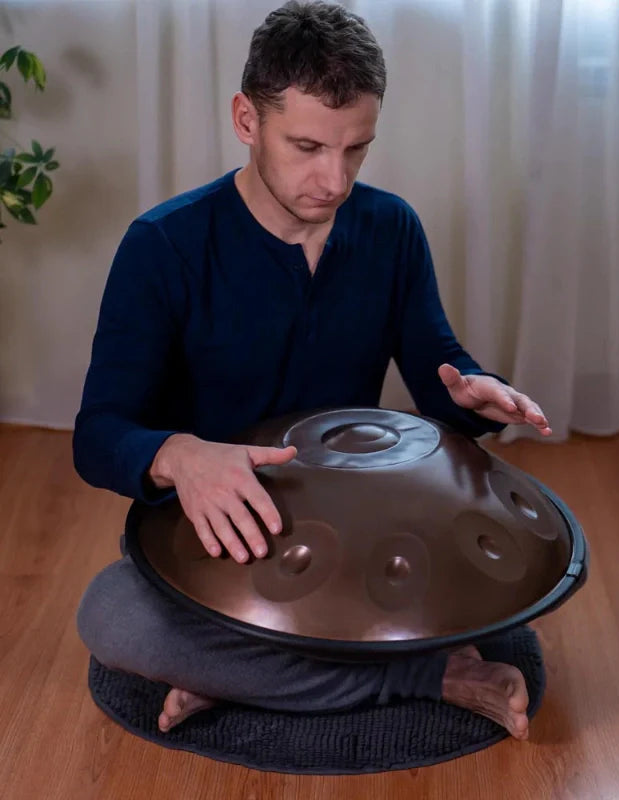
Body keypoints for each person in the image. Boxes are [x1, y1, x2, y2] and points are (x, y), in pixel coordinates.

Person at [73, 0, 552, 742]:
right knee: (110, 616)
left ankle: (234, 674)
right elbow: (99, 435)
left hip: (358, 526)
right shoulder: (161, 246)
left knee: (470, 581)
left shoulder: (390, 228)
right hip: (221, 528)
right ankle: (430, 675)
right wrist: (179, 455)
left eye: (356, 149)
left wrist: (474, 390)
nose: (334, 179)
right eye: (307, 147)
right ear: (246, 120)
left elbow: (440, 379)